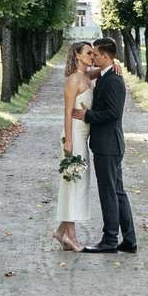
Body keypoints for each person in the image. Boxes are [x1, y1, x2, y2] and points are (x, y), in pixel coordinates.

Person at [74, 37, 136, 254]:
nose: (94, 57)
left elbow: (112, 114)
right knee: (117, 192)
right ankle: (129, 240)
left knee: (109, 192)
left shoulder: (113, 81)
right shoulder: (107, 75)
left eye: (97, 54)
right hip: (108, 144)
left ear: (107, 56)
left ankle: (110, 240)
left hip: (108, 145)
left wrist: (86, 115)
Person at [52, 41, 95, 252]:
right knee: (73, 184)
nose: (92, 56)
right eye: (88, 53)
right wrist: (68, 141)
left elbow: (100, 71)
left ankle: (60, 232)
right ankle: (70, 236)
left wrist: (113, 65)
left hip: (84, 137)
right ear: (78, 55)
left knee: (80, 184)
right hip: (74, 137)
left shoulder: (87, 76)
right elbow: (67, 113)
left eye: (94, 53)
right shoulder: (72, 80)